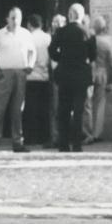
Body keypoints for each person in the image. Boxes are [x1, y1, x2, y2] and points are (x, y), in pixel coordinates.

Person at [0, 7, 36, 153]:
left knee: (17, 109)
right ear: (7, 19)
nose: (16, 21)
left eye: (18, 18)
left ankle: (17, 142)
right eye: (13, 17)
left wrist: (30, 65)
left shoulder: (26, 34)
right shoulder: (0, 35)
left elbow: (33, 51)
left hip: (20, 73)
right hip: (4, 74)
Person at [49, 3, 97, 152]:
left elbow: (51, 50)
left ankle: (63, 143)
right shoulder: (88, 33)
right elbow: (93, 55)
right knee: (78, 110)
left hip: (64, 74)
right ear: (81, 16)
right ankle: (77, 143)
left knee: (63, 109)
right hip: (81, 75)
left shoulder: (61, 31)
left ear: (69, 15)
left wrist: (60, 58)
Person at [84, 16, 112, 143]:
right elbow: (111, 64)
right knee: (99, 104)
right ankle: (97, 133)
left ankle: (87, 131)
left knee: (88, 104)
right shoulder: (107, 43)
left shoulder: (89, 40)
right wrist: (111, 81)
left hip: (90, 72)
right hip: (102, 74)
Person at [24, 14, 51, 146]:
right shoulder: (48, 38)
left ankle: (30, 137)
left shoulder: (28, 37)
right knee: (43, 109)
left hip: (30, 77)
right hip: (45, 77)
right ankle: (44, 137)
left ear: (30, 24)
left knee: (30, 109)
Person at [48, 12, 67, 147]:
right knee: (53, 107)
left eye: (59, 22)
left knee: (60, 107)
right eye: (54, 21)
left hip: (61, 74)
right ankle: (55, 136)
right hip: (51, 74)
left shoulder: (66, 37)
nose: (56, 24)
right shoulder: (49, 37)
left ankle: (61, 137)